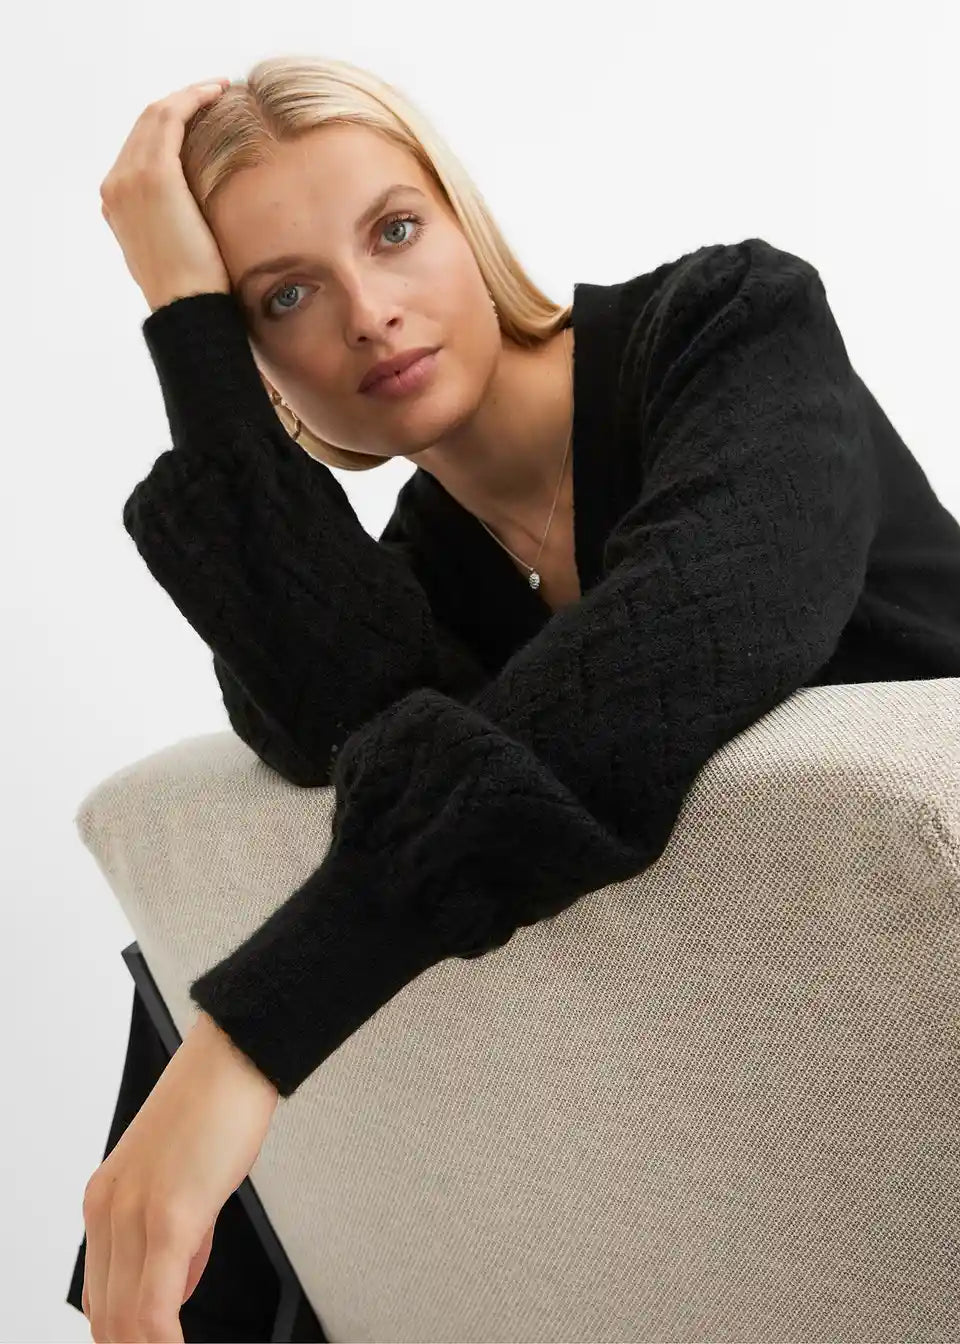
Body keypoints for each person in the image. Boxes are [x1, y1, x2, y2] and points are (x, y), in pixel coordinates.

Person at [70, 52, 960, 1337]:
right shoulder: (417, 582)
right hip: (740, 1105)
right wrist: (186, 333)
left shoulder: (733, 332)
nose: (369, 313)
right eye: (283, 298)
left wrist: (245, 1044)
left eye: (393, 231)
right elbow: (315, 730)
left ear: (463, 217)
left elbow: (669, 660)